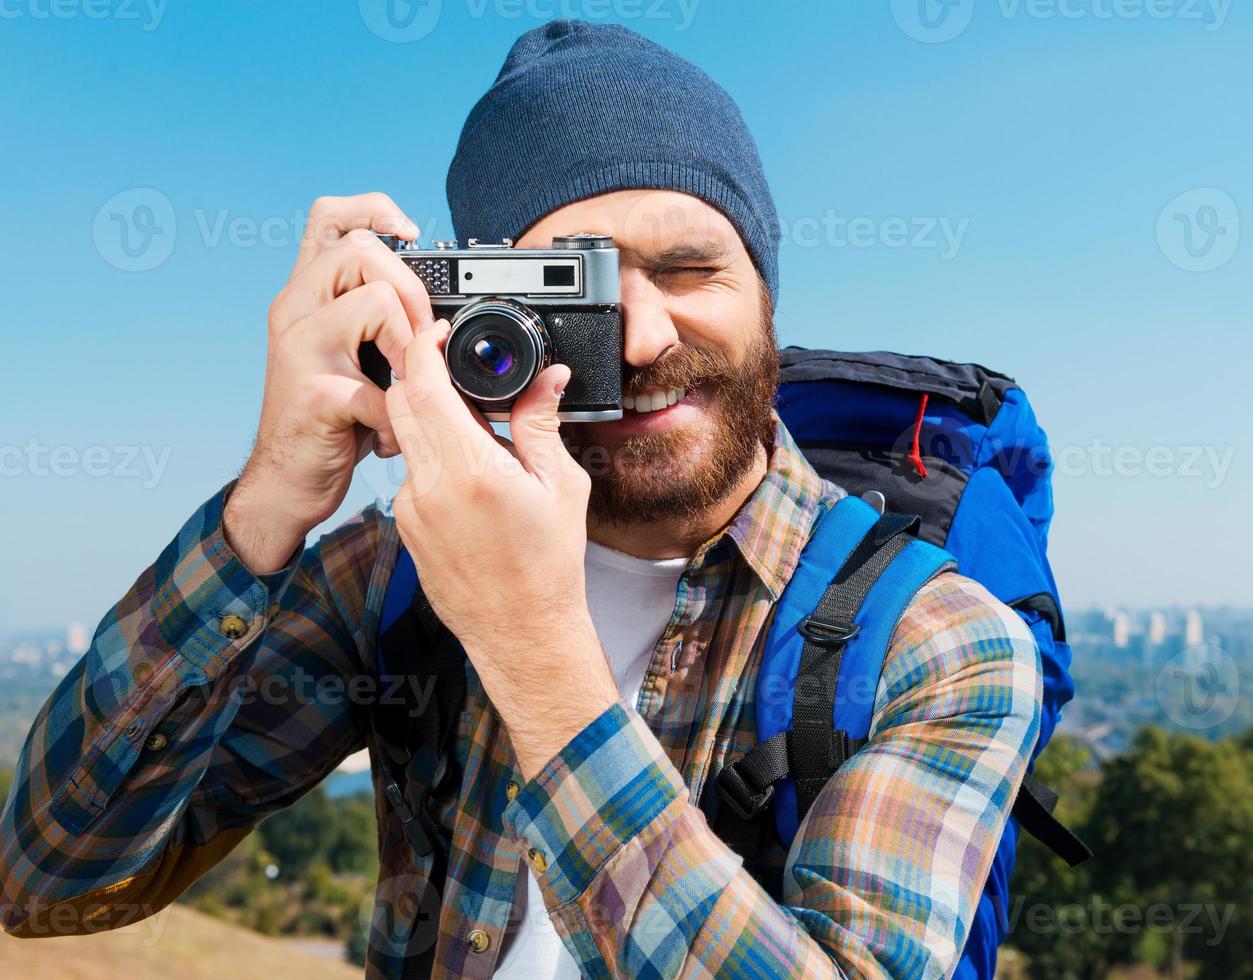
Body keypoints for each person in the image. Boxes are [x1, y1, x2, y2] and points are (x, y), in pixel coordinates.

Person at [0, 20, 1041, 979]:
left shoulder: (936, 640)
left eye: (691, 268)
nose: (640, 338)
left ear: (767, 295)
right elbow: (47, 881)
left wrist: (534, 649)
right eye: (573, 287)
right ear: (478, 321)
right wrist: (269, 501)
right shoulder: (399, 573)